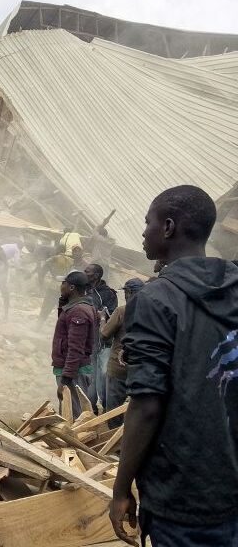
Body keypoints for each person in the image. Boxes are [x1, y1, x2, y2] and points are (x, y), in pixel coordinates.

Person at [110, 186, 238, 546]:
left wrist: (121, 489)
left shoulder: (154, 299)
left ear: (167, 227)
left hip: (183, 495)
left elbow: (147, 405)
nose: (143, 231)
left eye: (147, 222)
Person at [51, 270, 96, 421]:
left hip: (73, 373)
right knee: (67, 413)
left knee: (74, 418)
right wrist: (63, 302)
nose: (60, 286)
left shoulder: (78, 311)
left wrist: (66, 379)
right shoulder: (76, 307)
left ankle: (75, 444)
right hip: (70, 371)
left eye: (63, 283)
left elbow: (75, 349)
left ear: (71, 288)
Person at [99, 278, 144, 429]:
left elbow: (104, 334)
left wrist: (103, 318)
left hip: (118, 367)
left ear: (129, 292)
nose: (124, 295)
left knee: (114, 408)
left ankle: (114, 444)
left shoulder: (122, 311)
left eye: (125, 292)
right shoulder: (152, 311)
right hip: (141, 367)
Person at [84, 263, 118, 414]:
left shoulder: (109, 294)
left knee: (104, 377)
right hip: (89, 342)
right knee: (90, 378)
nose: (84, 273)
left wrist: (101, 316)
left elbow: (112, 317)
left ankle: (107, 410)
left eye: (88, 271)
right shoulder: (84, 291)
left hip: (104, 343)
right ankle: (91, 411)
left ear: (96, 275)